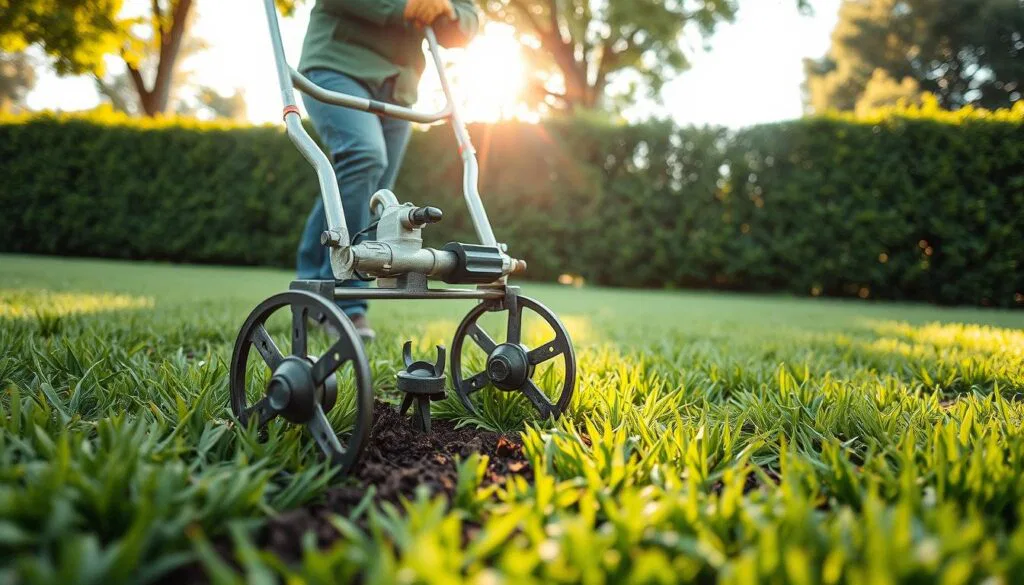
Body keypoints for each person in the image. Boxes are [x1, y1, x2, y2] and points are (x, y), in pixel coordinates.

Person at [296, 0, 480, 341]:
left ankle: (309, 289)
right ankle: (344, 301)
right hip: (338, 62)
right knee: (365, 156)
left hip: (400, 83)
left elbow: (468, 18)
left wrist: (449, 13)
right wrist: (404, 6)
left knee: (371, 191)